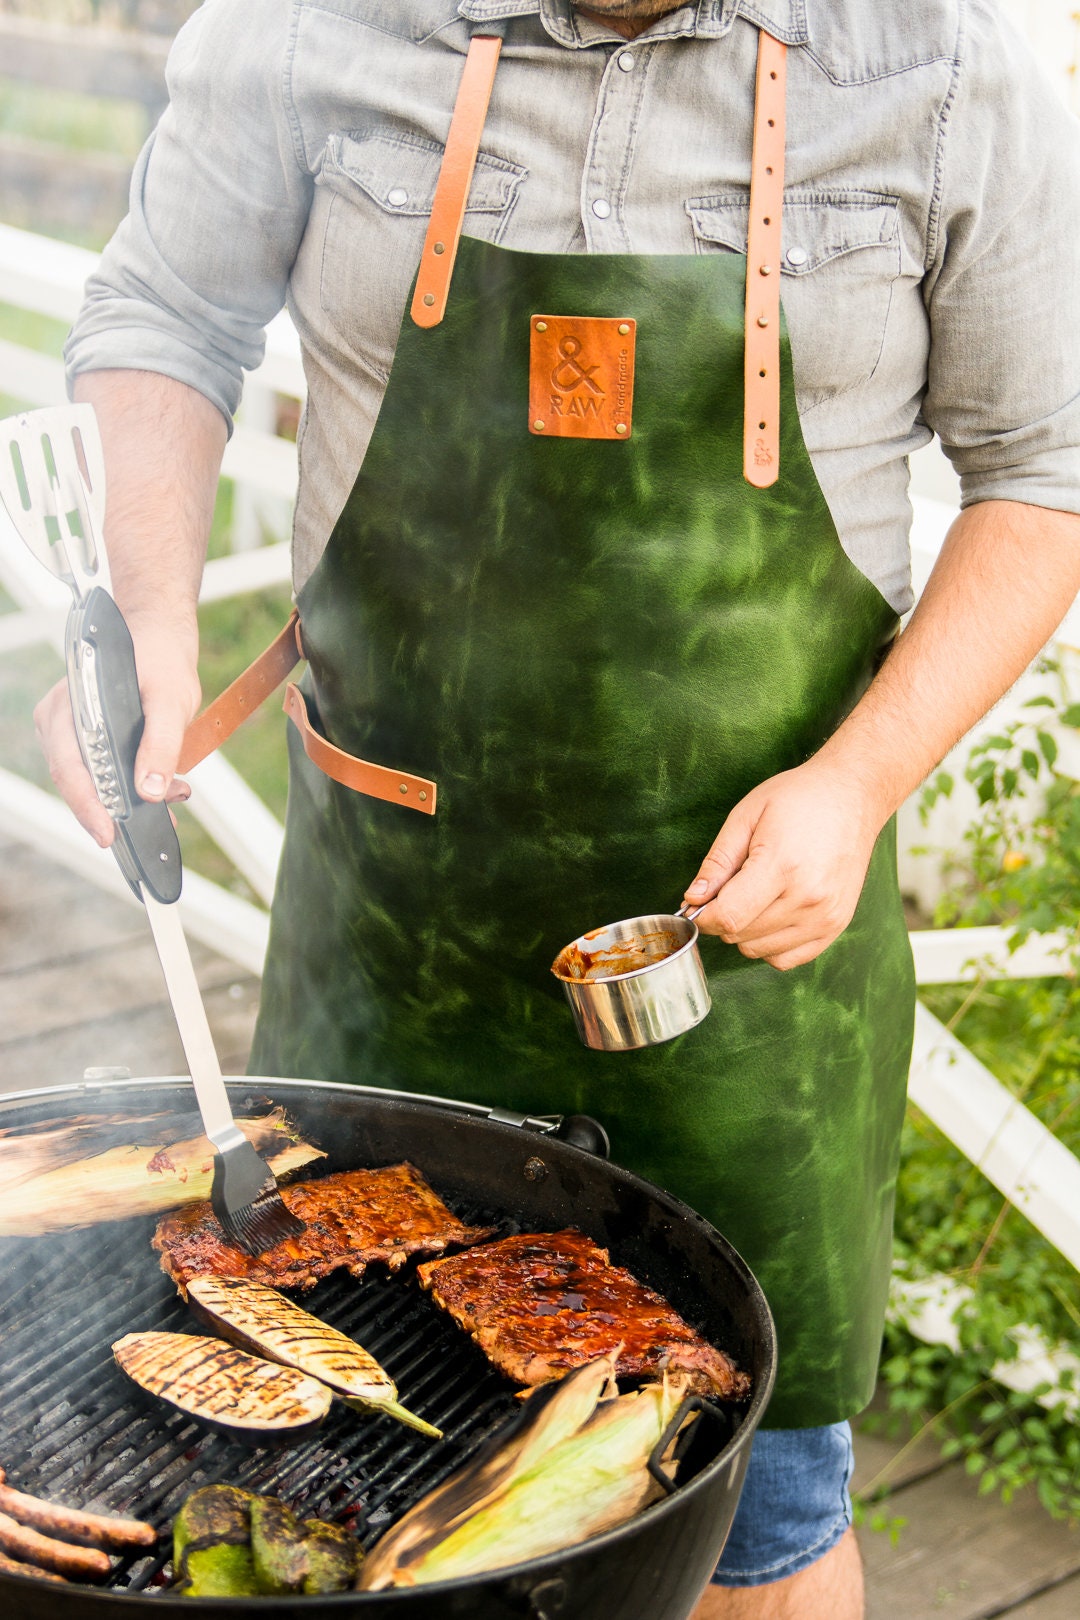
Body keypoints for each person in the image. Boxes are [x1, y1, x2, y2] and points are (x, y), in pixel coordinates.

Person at [36, 0, 1080, 1614]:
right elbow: (165, 317)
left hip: (741, 968)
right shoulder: (308, 23)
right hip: (393, 926)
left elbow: (1047, 471)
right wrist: (152, 622)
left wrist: (861, 782)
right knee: (340, 1489)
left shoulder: (942, 63)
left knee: (759, 1519)